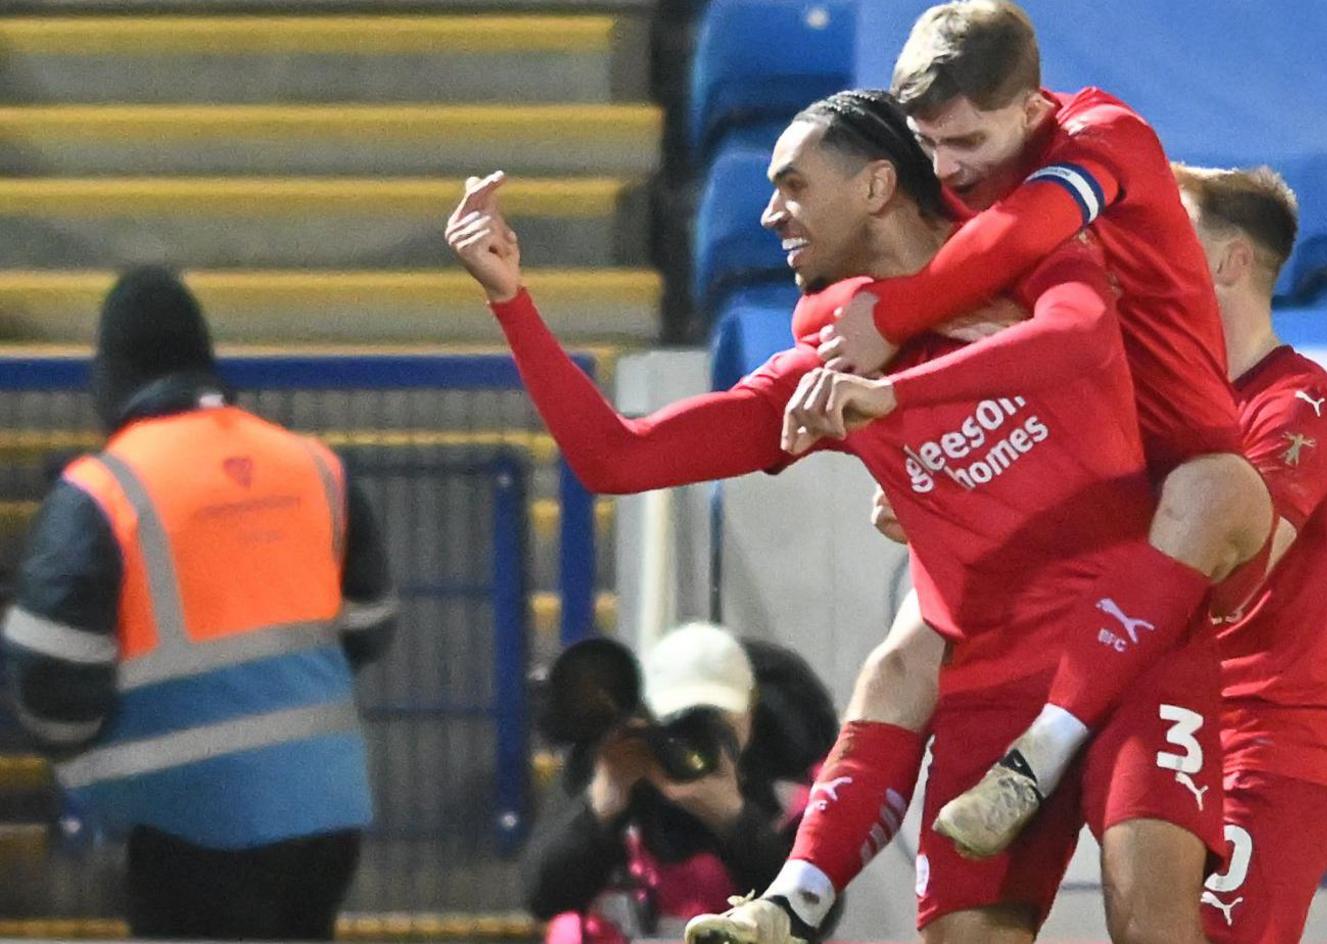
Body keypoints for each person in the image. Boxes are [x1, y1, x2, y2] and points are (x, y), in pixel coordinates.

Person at [450, 88, 1224, 944]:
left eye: (793, 186)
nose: (773, 214)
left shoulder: (1035, 268)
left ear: (878, 184)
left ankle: (799, 892)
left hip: (1135, 651)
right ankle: (799, 892)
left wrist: (889, 385)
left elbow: (1078, 334)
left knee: (1151, 918)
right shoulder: (818, 372)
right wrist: (511, 301)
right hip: (992, 682)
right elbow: (617, 458)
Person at [803, 0, 1275, 854]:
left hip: (1180, 480)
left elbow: (1024, 238)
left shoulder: (1102, 138)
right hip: (1077, 492)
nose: (947, 167)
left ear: (1031, 109)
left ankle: (1040, 755)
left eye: (967, 144)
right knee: (910, 646)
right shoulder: (955, 170)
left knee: (1213, 488)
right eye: (930, 144)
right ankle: (798, 890)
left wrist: (900, 314)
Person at [0, 268, 397, 941]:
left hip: (191, 821)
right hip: (326, 813)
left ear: (111, 378)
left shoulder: (103, 491)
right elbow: (370, 626)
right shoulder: (312, 465)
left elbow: (48, 680)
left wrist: (87, 760)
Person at [1172, 164, 1327, 943]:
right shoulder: (1175, 400)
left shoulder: (1303, 404)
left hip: (1273, 744)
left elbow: (1230, 566)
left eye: (1168, 238)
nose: (1142, 256)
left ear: (1229, 263)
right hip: (1182, 732)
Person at [522, 622, 841, 943]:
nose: (695, 739)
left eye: (714, 721)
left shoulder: (784, 790)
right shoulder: (615, 768)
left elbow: (817, 915)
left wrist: (735, 820)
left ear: (750, 710)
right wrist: (604, 807)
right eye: (680, 722)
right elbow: (542, 898)